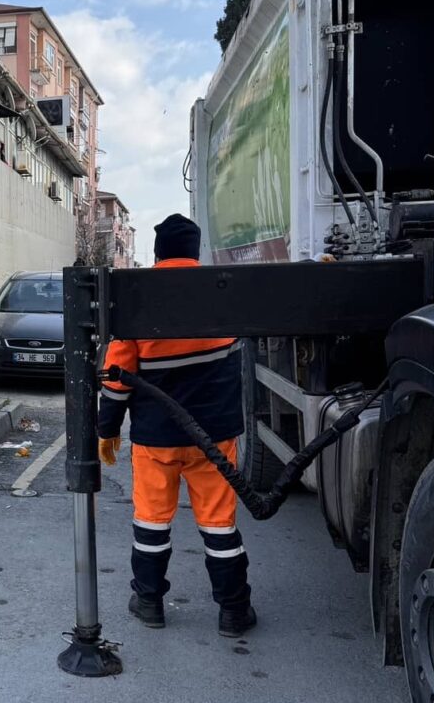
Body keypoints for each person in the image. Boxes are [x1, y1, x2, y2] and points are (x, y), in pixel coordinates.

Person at [97, 214, 255, 637]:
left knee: (151, 521)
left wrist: (107, 429)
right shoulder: (222, 294)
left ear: (158, 252)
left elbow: (116, 378)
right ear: (195, 251)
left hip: (156, 439)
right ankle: (233, 611)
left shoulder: (139, 298)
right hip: (214, 439)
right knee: (220, 524)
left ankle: (149, 602)